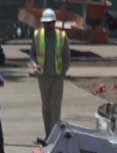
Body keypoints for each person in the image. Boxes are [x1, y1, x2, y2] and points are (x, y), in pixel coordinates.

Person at [30, 8, 71, 141]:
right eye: (45, 23)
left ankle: (55, 137)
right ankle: (48, 135)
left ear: (54, 22)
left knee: (55, 107)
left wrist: (62, 73)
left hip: (57, 77)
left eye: (50, 23)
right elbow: (32, 55)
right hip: (43, 77)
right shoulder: (37, 35)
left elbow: (67, 57)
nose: (47, 25)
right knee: (46, 106)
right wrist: (34, 64)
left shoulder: (62, 36)